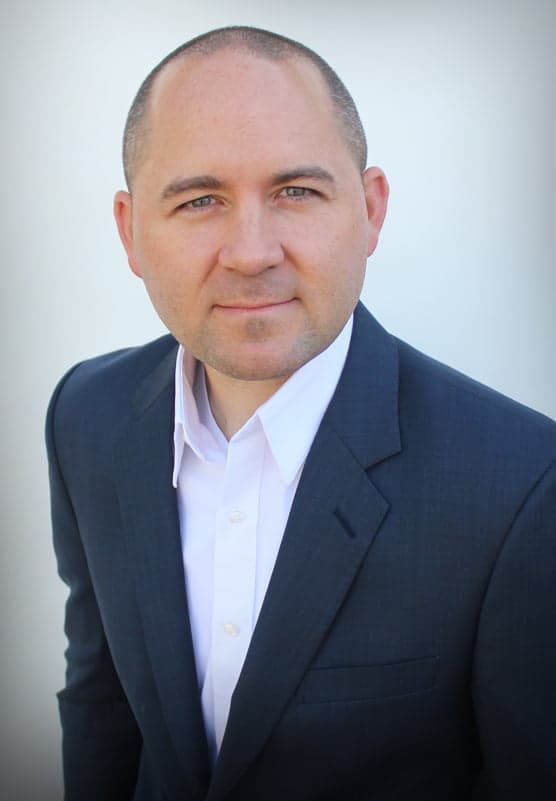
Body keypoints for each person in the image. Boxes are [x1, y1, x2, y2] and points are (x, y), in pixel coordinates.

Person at [46, 25, 556, 801]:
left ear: (371, 208)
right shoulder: (84, 416)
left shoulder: (522, 484)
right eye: (200, 199)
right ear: (131, 232)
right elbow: (100, 702)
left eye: (295, 192)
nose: (251, 252)